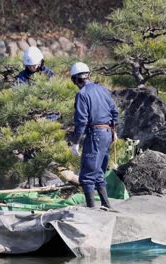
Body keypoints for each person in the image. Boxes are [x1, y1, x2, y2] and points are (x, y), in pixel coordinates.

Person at [70, 62, 119, 209]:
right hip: (107, 133)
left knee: (87, 175)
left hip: (95, 134)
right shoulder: (103, 89)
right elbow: (115, 112)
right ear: (88, 75)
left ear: (75, 79)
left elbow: (81, 121)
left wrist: (76, 142)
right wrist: (114, 132)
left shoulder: (82, 94)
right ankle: (106, 205)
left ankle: (91, 210)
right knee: (98, 173)